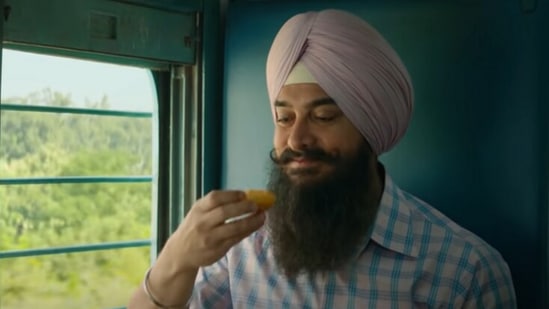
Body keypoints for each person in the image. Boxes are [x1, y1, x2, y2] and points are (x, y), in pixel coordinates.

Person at [128, 9, 517, 308]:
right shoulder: (241, 250)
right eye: (284, 118)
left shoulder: (466, 272)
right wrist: (174, 262)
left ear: (371, 126)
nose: (297, 138)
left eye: (324, 116)